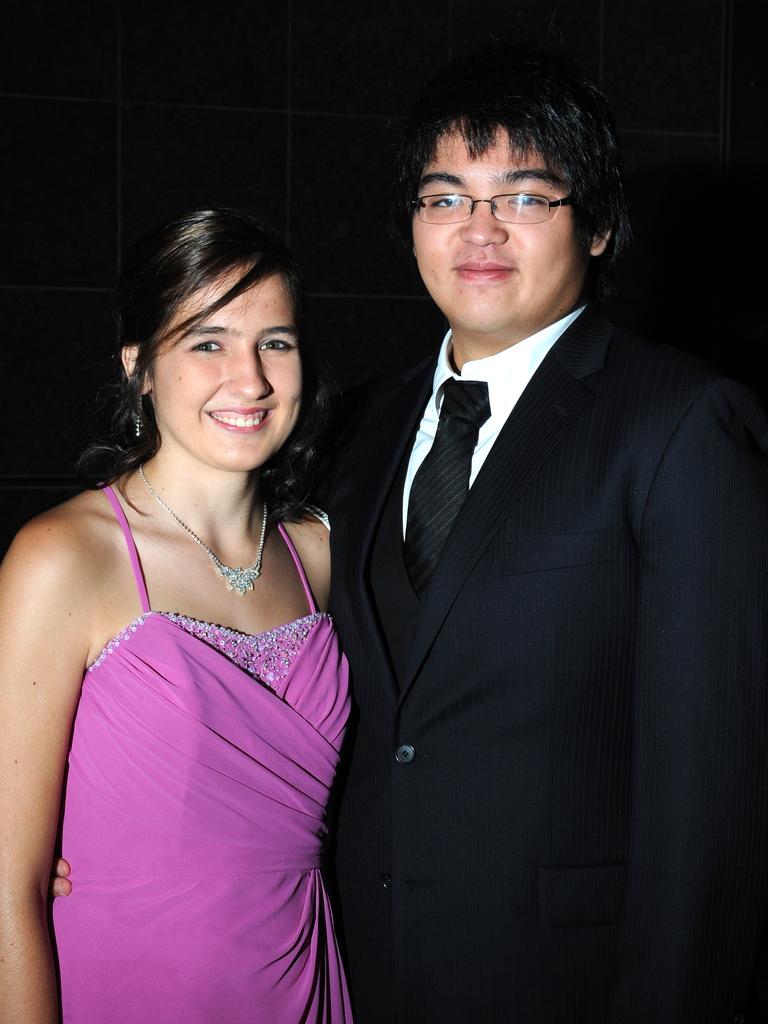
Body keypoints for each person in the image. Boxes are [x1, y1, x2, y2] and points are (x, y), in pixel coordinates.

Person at [323, 44, 768, 1022]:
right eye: (446, 198)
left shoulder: (680, 424)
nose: (478, 231)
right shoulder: (356, 424)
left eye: (524, 198)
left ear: (600, 226)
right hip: (356, 971)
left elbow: (713, 800)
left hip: (568, 981)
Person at [0, 208, 353, 1023]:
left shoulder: (322, 556)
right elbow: (9, 888)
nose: (251, 379)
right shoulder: (65, 559)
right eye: (207, 342)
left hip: (304, 978)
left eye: (277, 342)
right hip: (130, 981)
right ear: (141, 367)